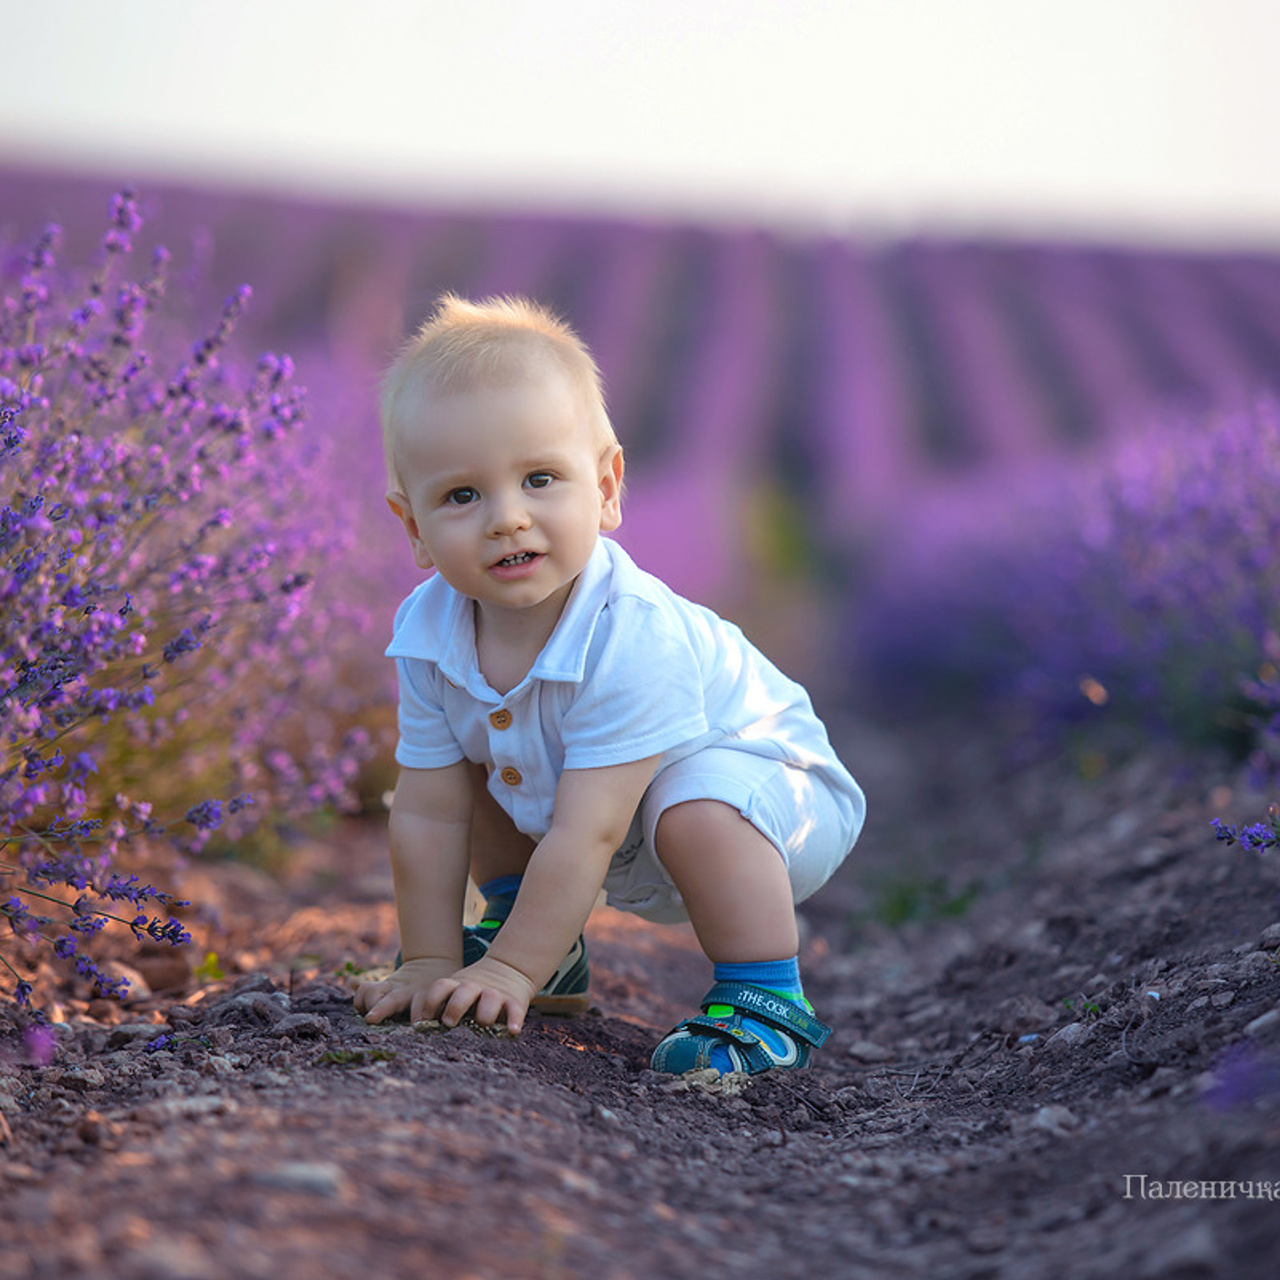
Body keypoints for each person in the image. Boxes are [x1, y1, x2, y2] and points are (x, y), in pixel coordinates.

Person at [354, 294, 865, 1076]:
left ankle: (767, 997)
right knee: (467, 758)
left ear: (607, 487)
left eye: (540, 479)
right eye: (462, 495)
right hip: (608, 814)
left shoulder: (633, 634)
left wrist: (506, 975)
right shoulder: (428, 633)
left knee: (695, 804)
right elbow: (425, 812)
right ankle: (533, 939)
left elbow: (589, 830)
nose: (506, 518)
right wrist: (427, 960)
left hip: (770, 802)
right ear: (413, 527)